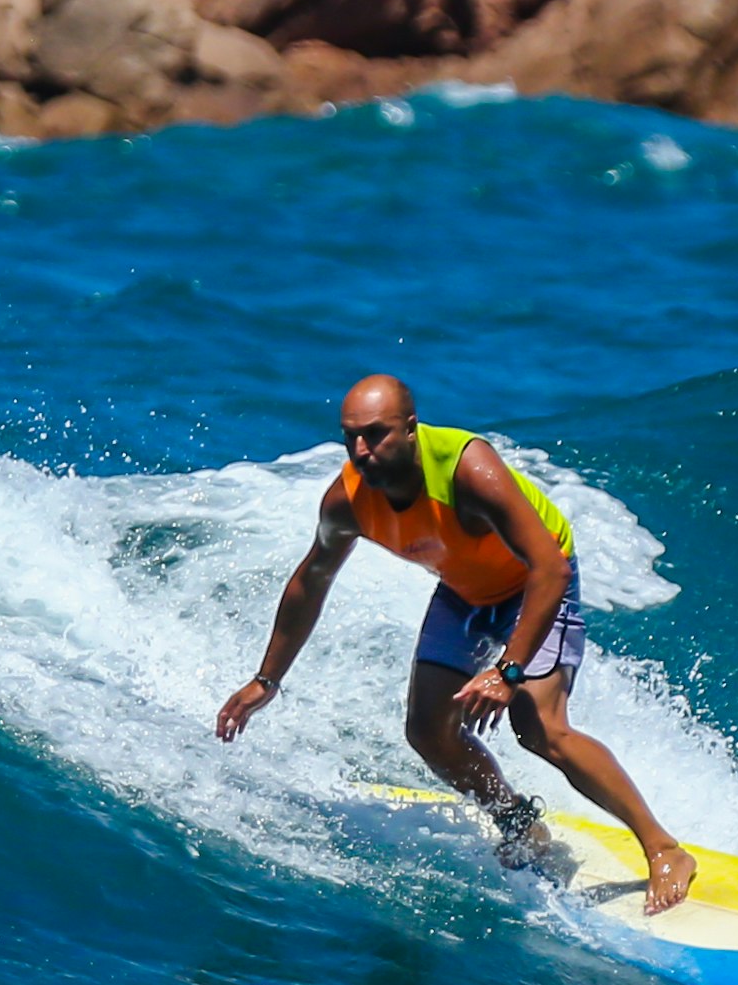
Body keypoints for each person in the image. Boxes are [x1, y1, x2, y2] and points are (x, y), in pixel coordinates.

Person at [214, 375, 698, 914]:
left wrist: (508, 671)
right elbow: (311, 580)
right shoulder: (347, 501)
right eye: (351, 437)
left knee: (540, 729)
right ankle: (520, 823)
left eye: (375, 435)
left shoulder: (470, 470)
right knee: (427, 730)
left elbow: (551, 568)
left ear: (411, 429)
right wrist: (267, 680)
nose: (361, 451)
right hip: (466, 590)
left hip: (534, 582)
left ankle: (663, 848)